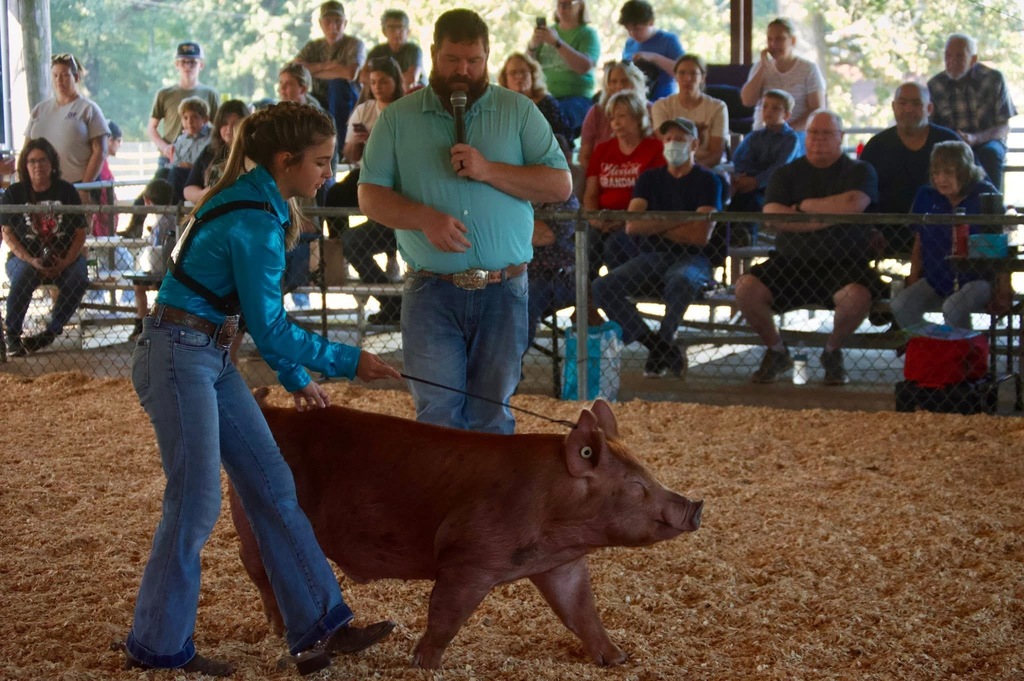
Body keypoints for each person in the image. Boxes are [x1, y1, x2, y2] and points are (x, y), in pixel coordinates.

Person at [121, 101, 400, 677]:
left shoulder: (255, 200)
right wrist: (349, 361)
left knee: (272, 485)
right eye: (321, 162)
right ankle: (157, 645)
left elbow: (256, 322)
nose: (328, 172)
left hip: (205, 355)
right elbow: (270, 326)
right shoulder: (255, 220)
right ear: (286, 160)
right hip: (180, 357)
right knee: (195, 502)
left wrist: (298, 378)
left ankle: (320, 625)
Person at [358, 9, 571, 433]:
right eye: (453, 60)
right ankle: (445, 502)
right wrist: (422, 218)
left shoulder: (519, 111)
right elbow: (370, 195)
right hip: (430, 290)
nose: (464, 71)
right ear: (434, 54)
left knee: (492, 413)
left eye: (474, 61)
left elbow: (559, 185)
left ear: (487, 56)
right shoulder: (398, 118)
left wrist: (489, 169)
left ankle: (489, 502)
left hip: (504, 288)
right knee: (437, 416)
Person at [735, 110, 880, 386]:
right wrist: (828, 219)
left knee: (857, 297)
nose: (819, 139)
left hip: (844, 262)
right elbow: (773, 216)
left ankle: (831, 352)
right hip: (791, 261)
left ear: (841, 137)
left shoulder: (860, 171)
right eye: (814, 133)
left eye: (827, 133)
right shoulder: (786, 173)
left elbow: (853, 204)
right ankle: (777, 351)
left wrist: (803, 208)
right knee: (745, 289)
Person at [592, 117, 722, 379]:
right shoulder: (649, 179)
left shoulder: (709, 181)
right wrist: (681, 219)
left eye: (680, 139)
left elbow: (699, 235)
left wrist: (656, 222)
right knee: (601, 287)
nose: (673, 144)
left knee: (681, 280)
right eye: (669, 139)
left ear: (694, 144)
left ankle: (663, 340)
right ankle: (659, 347)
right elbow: (633, 226)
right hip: (653, 255)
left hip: (694, 258)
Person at [891, 140, 1010, 329]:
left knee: (953, 307)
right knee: (901, 305)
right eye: (936, 173)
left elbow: (1003, 243)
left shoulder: (985, 195)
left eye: (948, 172)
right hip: (936, 278)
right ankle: (937, 345)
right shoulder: (926, 195)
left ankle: (963, 352)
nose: (940, 179)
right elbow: (918, 241)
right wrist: (913, 277)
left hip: (978, 280)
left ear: (965, 172)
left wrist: (1004, 287)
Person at [1, 138, 89, 356]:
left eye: (42, 160)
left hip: (64, 256)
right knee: (25, 275)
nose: (37, 165)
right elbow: (8, 233)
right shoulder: (14, 193)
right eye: (32, 161)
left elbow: (80, 233)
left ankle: (51, 331)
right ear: (25, 165)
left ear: (52, 163)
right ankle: (12, 335)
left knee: (78, 277)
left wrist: (66, 261)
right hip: (23, 257)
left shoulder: (66, 191)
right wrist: (30, 259)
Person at [339, 56, 406, 323]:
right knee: (335, 198)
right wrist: (359, 143)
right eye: (373, 82)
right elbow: (348, 153)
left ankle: (398, 304)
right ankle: (328, 255)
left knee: (359, 239)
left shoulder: (407, 109)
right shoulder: (364, 110)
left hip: (403, 191)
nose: (377, 87)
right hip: (370, 179)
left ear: (397, 81)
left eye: (384, 81)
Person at [859, 82, 959, 255]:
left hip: (940, 232)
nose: (908, 109)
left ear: (929, 108)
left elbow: (973, 183)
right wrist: (871, 229)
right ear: (893, 106)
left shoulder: (949, 142)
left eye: (916, 104)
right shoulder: (876, 146)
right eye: (902, 103)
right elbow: (862, 193)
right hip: (885, 233)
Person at [585, 89, 665, 273]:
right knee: (587, 241)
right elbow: (591, 194)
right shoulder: (603, 150)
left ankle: (615, 296)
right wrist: (596, 220)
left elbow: (656, 196)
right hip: (603, 219)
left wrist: (623, 220)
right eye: (612, 118)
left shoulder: (655, 149)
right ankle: (587, 295)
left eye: (622, 116)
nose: (616, 123)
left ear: (638, 118)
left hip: (636, 221)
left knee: (615, 246)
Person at [927, 33, 1017, 191]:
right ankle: (939, 209)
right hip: (950, 143)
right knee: (934, 156)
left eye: (959, 56)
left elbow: (1003, 127)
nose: (952, 61)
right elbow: (930, 126)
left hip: (987, 141)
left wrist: (975, 138)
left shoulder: (993, 79)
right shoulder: (935, 84)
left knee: (990, 154)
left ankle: (990, 208)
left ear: (973, 59)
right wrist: (954, 139)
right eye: (947, 56)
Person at [25, 53, 110, 202]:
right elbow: (27, 149)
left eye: (65, 75)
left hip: (76, 185)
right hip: (42, 187)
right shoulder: (40, 110)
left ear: (76, 77)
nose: (59, 80)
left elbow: (100, 150)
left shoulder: (88, 109)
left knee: (77, 224)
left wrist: (85, 187)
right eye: (55, 75)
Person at [146, 42, 220, 181]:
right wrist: (166, 147)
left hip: (198, 159)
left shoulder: (210, 94)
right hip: (169, 158)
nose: (188, 66)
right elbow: (151, 128)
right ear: (177, 65)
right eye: (183, 62)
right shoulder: (164, 94)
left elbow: (218, 128)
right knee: (161, 195)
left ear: (201, 65)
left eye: (193, 62)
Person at [295, 1, 366, 145]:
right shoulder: (313, 47)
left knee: (337, 85)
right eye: (328, 21)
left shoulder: (354, 44)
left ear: (345, 23)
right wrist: (327, 65)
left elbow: (350, 74)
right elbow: (296, 69)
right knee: (295, 89)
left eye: (338, 21)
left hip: (347, 100)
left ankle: (340, 145)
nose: (333, 26)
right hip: (318, 97)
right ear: (321, 24)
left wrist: (313, 71)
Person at [527, 0, 600, 137]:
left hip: (576, 98)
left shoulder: (587, 34)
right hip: (546, 96)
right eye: (559, 4)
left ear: (580, 6)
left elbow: (584, 66)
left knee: (555, 121)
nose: (562, 8)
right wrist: (532, 45)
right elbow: (528, 67)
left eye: (567, 4)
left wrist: (557, 43)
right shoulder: (549, 32)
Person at [739, 18, 826, 133]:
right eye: (770, 39)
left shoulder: (809, 69)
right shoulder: (759, 67)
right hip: (761, 134)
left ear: (793, 41)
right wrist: (763, 68)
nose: (773, 44)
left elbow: (816, 110)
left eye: (780, 39)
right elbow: (747, 101)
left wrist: (786, 130)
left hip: (795, 134)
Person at [728, 89, 800, 216]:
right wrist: (743, 177)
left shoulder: (791, 139)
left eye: (775, 108)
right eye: (765, 106)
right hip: (749, 182)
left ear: (786, 115)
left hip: (777, 186)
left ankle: (747, 233)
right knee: (735, 200)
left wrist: (756, 181)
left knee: (754, 201)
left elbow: (780, 167)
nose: (768, 111)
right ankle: (728, 232)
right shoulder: (755, 136)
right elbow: (740, 159)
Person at [651, 55, 729, 168]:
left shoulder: (718, 107)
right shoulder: (661, 106)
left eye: (693, 74)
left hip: (706, 168)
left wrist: (692, 171)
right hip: (671, 168)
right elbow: (663, 145)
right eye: (682, 73)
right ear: (675, 76)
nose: (687, 78)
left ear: (702, 77)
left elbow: (716, 154)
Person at [578, 60, 646, 172]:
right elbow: (584, 156)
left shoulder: (648, 110)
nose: (619, 86)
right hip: (602, 175)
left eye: (624, 81)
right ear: (607, 85)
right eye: (613, 82)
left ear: (635, 82)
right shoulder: (596, 112)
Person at [129, 178, 176, 341]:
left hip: (158, 267)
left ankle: (142, 322)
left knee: (138, 284)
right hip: (172, 265)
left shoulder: (156, 221)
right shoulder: (174, 217)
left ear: (147, 201)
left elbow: (153, 248)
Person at [183, 99, 251, 204]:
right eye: (225, 123)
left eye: (235, 124)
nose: (229, 129)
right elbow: (188, 189)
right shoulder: (210, 151)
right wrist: (205, 194)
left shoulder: (254, 153)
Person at [618, 0, 684, 103]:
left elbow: (684, 73)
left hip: (663, 101)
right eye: (628, 29)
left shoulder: (669, 40)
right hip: (635, 103)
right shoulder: (629, 44)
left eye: (637, 29)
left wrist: (654, 58)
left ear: (651, 22)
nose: (632, 33)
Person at [498, 51, 572, 140]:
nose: (519, 77)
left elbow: (565, 140)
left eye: (523, 72)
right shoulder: (500, 106)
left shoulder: (548, 104)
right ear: (505, 78)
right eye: (513, 73)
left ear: (532, 75)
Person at [362, 9, 424, 91]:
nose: (396, 32)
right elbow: (363, 76)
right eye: (392, 28)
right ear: (384, 31)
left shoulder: (413, 50)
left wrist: (384, 81)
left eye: (400, 28)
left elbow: (412, 78)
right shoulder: (377, 51)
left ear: (408, 31)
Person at [167, 97, 212, 203]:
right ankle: (141, 212)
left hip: (198, 177)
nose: (189, 122)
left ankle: (172, 212)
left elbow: (208, 163)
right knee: (162, 173)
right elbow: (176, 162)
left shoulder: (212, 137)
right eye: (185, 118)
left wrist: (190, 166)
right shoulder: (181, 139)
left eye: (194, 117)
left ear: (205, 119)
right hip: (179, 174)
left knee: (175, 173)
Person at [91, 120, 122, 236]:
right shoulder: (100, 166)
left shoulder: (103, 164)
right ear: (109, 140)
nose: (120, 144)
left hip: (105, 224)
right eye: (118, 140)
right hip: (101, 226)